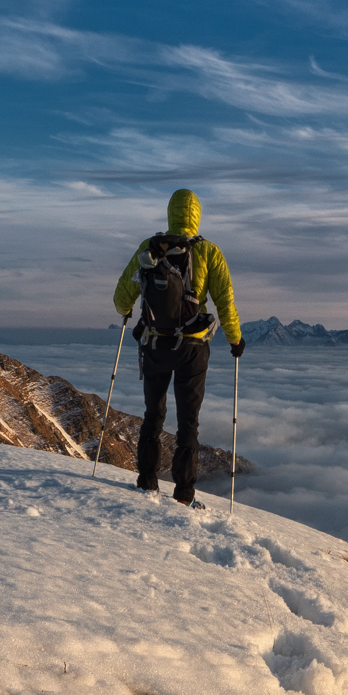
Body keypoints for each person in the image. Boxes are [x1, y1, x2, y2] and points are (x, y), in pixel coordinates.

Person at [112, 188, 243, 505]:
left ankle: (146, 483)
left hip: (155, 344)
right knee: (188, 423)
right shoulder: (209, 252)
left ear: (171, 213)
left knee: (152, 415)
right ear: (196, 215)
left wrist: (127, 311)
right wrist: (235, 339)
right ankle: (184, 494)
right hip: (193, 350)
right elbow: (225, 301)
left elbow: (121, 300)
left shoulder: (150, 248)